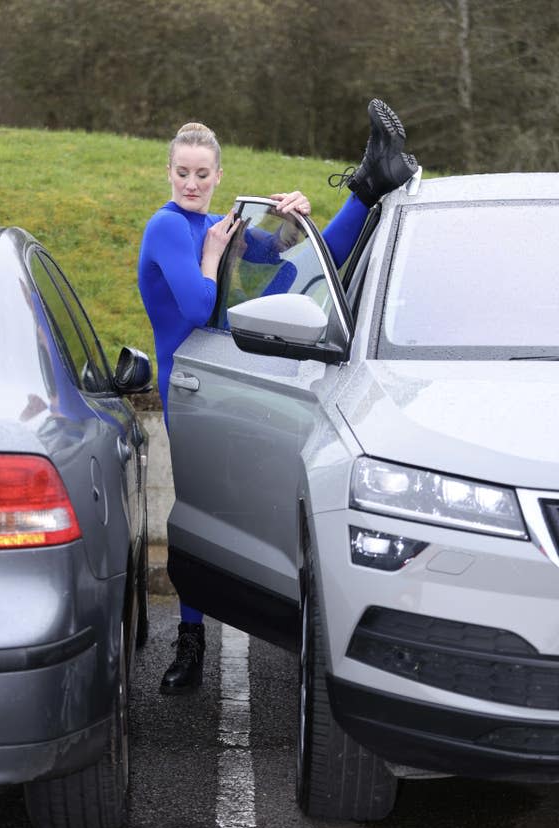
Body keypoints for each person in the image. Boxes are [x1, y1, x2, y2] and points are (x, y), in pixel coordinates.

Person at [137, 98, 418, 694]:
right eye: (182, 172)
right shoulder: (168, 226)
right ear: (168, 173)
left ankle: (368, 186)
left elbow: (300, 268)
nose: (192, 182)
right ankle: (190, 643)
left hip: (228, 377)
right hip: (186, 384)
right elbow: (192, 307)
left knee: (229, 508)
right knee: (197, 505)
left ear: (219, 176)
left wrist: (298, 221)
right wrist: (214, 253)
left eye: (202, 173)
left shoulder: (219, 225)